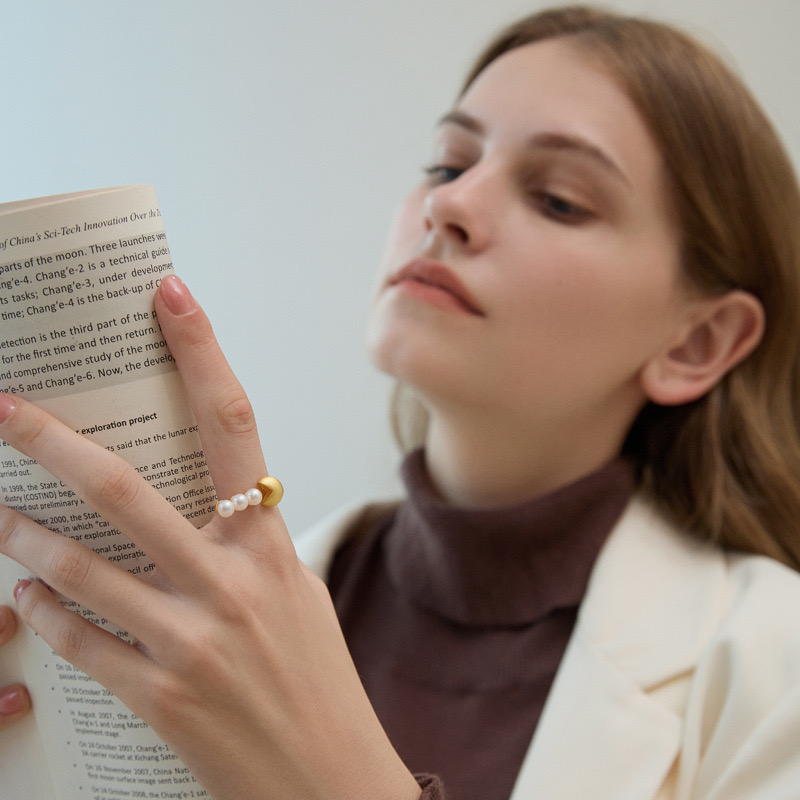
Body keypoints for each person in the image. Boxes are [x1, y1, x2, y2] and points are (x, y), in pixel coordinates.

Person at [2, 4, 800, 798]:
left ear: (698, 343)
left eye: (559, 199)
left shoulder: (774, 669)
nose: (448, 206)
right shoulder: (247, 606)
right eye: (448, 166)